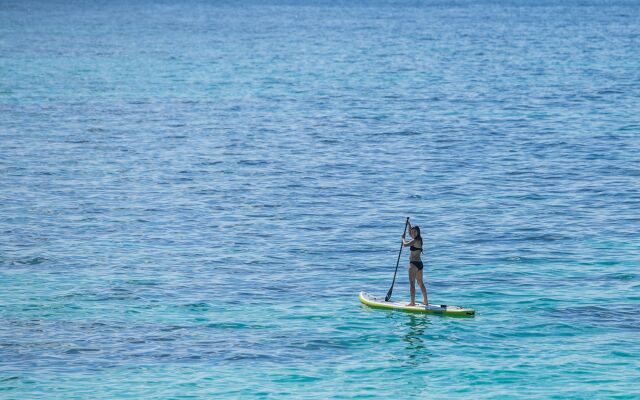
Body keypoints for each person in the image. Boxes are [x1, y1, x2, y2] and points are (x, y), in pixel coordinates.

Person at [402, 220, 428, 306]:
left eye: (414, 232)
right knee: (420, 283)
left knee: (412, 283)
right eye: (412, 232)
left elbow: (405, 245)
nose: (412, 233)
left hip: (413, 264)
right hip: (420, 264)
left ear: (418, 232)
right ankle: (425, 301)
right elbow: (410, 232)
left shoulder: (414, 241)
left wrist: (403, 238)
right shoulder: (419, 239)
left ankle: (412, 302)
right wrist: (409, 224)